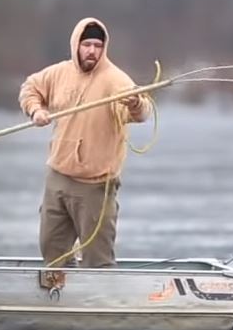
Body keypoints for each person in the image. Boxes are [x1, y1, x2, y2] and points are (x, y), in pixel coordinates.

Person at [18, 17, 152, 269]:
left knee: (97, 258)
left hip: (95, 185)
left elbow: (142, 112)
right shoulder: (58, 73)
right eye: (87, 44)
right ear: (76, 44)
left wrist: (135, 104)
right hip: (57, 176)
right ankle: (59, 292)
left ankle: (100, 300)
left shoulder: (117, 80)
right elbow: (30, 88)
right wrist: (35, 110)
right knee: (51, 248)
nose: (92, 50)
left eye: (97, 46)